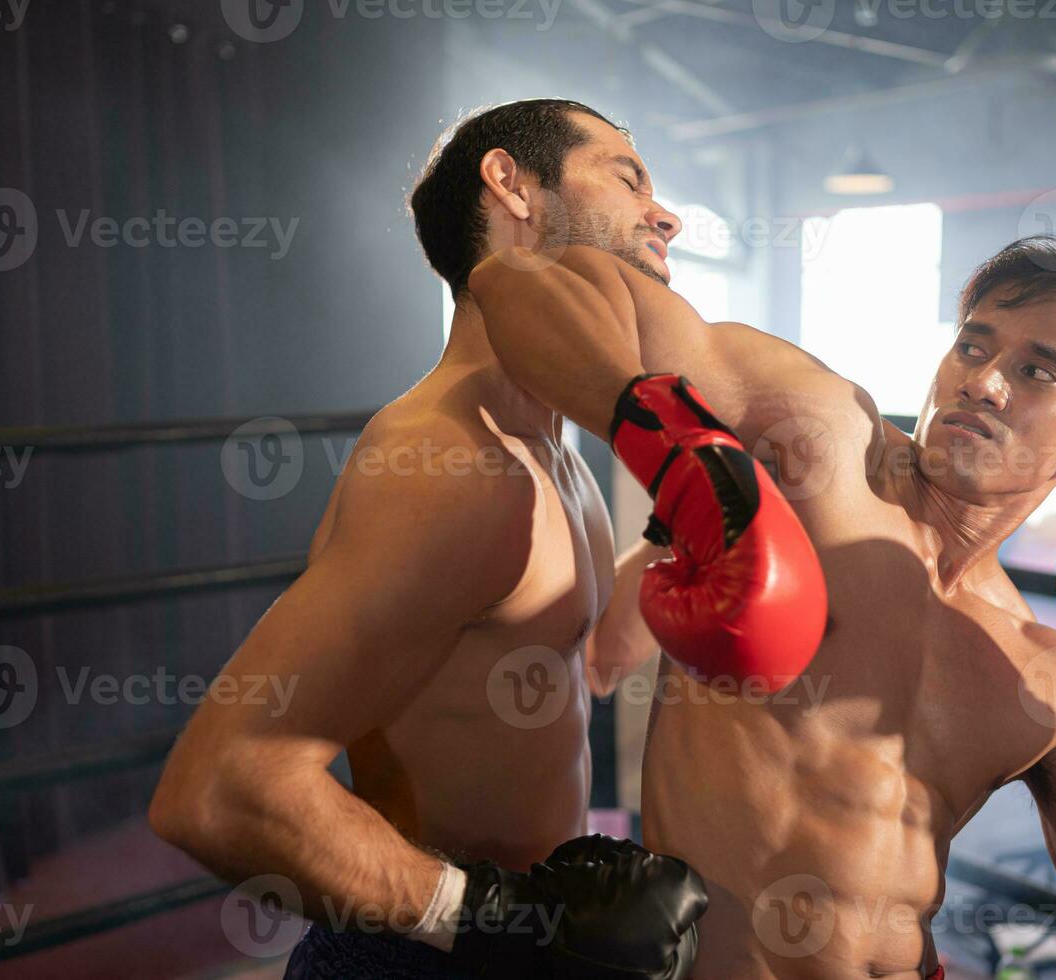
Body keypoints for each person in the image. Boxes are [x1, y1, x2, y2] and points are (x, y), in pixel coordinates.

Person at [467, 120, 1056, 976]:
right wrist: (679, 455)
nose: (980, 382)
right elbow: (525, 280)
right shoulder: (821, 437)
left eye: (1037, 371)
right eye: (973, 345)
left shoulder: (1055, 685)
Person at [146, 99, 728, 979]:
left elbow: (584, 659)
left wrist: (695, 510)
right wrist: (490, 918)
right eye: (627, 176)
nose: (665, 213)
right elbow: (220, 790)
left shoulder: (554, 453)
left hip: (525, 933)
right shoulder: (452, 462)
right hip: (427, 950)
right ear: (511, 185)